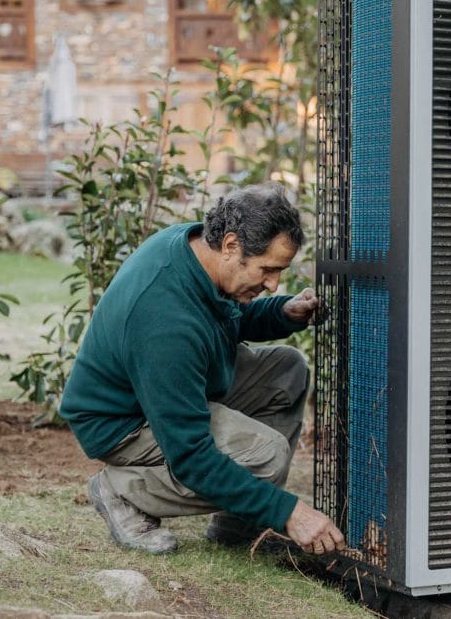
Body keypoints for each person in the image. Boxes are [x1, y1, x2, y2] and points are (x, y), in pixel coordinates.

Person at [59, 183, 345, 556]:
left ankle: (236, 521)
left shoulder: (199, 251)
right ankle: (123, 490)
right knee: (267, 455)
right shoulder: (165, 320)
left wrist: (281, 312)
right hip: (123, 422)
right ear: (231, 245)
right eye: (267, 269)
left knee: (287, 369)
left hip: (168, 387)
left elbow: (226, 319)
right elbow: (192, 457)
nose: (274, 283)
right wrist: (288, 513)